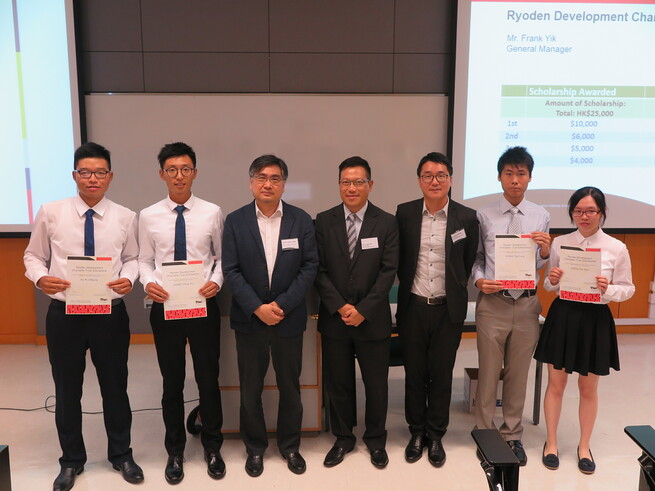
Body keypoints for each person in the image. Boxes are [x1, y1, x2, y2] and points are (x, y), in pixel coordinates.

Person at [24, 142, 144, 491]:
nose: (93, 179)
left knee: (115, 388)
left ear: (111, 176)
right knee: (67, 391)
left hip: (109, 313)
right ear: (75, 176)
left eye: (100, 172)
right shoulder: (51, 212)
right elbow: (33, 256)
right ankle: (71, 461)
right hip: (65, 314)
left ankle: (121, 454)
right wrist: (40, 277)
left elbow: (134, 258)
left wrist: (130, 278)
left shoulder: (125, 217)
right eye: (86, 172)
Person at [222, 154, 318, 478]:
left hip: (288, 319)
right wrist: (257, 307)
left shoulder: (301, 220)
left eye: (275, 178)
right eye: (261, 177)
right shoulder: (235, 222)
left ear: (283, 184)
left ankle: (290, 446)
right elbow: (231, 270)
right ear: (251, 182)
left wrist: (282, 305)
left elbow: (309, 267)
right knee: (250, 388)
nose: (268, 183)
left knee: (290, 386)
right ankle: (255, 448)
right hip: (249, 319)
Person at [138, 142, 225, 484]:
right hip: (166, 307)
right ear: (162, 174)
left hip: (203, 306)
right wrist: (148, 283)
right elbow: (144, 260)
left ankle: (212, 446)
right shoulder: (148, 215)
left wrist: (216, 281)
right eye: (172, 170)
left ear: (195, 173)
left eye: (185, 169)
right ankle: (174, 450)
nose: (179, 176)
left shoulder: (212, 212)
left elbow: (220, 258)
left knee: (208, 379)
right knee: (171, 382)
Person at [534, 187, 634, 474]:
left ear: (601, 213)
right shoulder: (560, 243)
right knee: (556, 384)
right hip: (564, 315)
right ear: (571, 214)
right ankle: (551, 443)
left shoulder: (617, 248)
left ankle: (584, 446)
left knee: (588, 388)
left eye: (591, 211)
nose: (584, 216)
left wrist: (609, 288)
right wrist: (551, 279)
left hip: (595, 319)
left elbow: (628, 289)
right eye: (578, 211)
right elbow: (551, 286)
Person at [315, 156, 399, 469]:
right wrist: (340, 306)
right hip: (335, 319)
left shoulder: (387, 222)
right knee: (338, 383)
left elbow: (389, 271)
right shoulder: (323, 221)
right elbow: (319, 270)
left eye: (358, 182)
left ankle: (376, 439)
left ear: (370, 185)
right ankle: (343, 438)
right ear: (339, 185)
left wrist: (363, 309)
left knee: (376, 383)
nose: (352, 188)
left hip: (372, 318)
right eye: (346, 182)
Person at [396, 152, 479, 467]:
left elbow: (467, 261)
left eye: (441, 175)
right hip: (413, 306)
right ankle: (416, 432)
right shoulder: (404, 214)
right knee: (415, 374)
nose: (434, 181)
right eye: (427, 175)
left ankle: (436, 435)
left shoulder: (467, 217)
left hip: (448, 309)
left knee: (441, 375)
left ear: (451, 180)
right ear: (419, 180)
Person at [471, 146, 551, 465]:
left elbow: (541, 264)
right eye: (509, 173)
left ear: (530, 178)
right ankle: (485, 433)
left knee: (518, 372)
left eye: (521, 174)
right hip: (494, 302)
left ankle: (512, 434)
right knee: (489, 372)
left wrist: (545, 254)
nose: (515, 180)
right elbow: (477, 258)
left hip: (528, 304)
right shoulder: (484, 214)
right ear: (500, 177)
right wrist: (479, 281)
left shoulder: (541, 215)